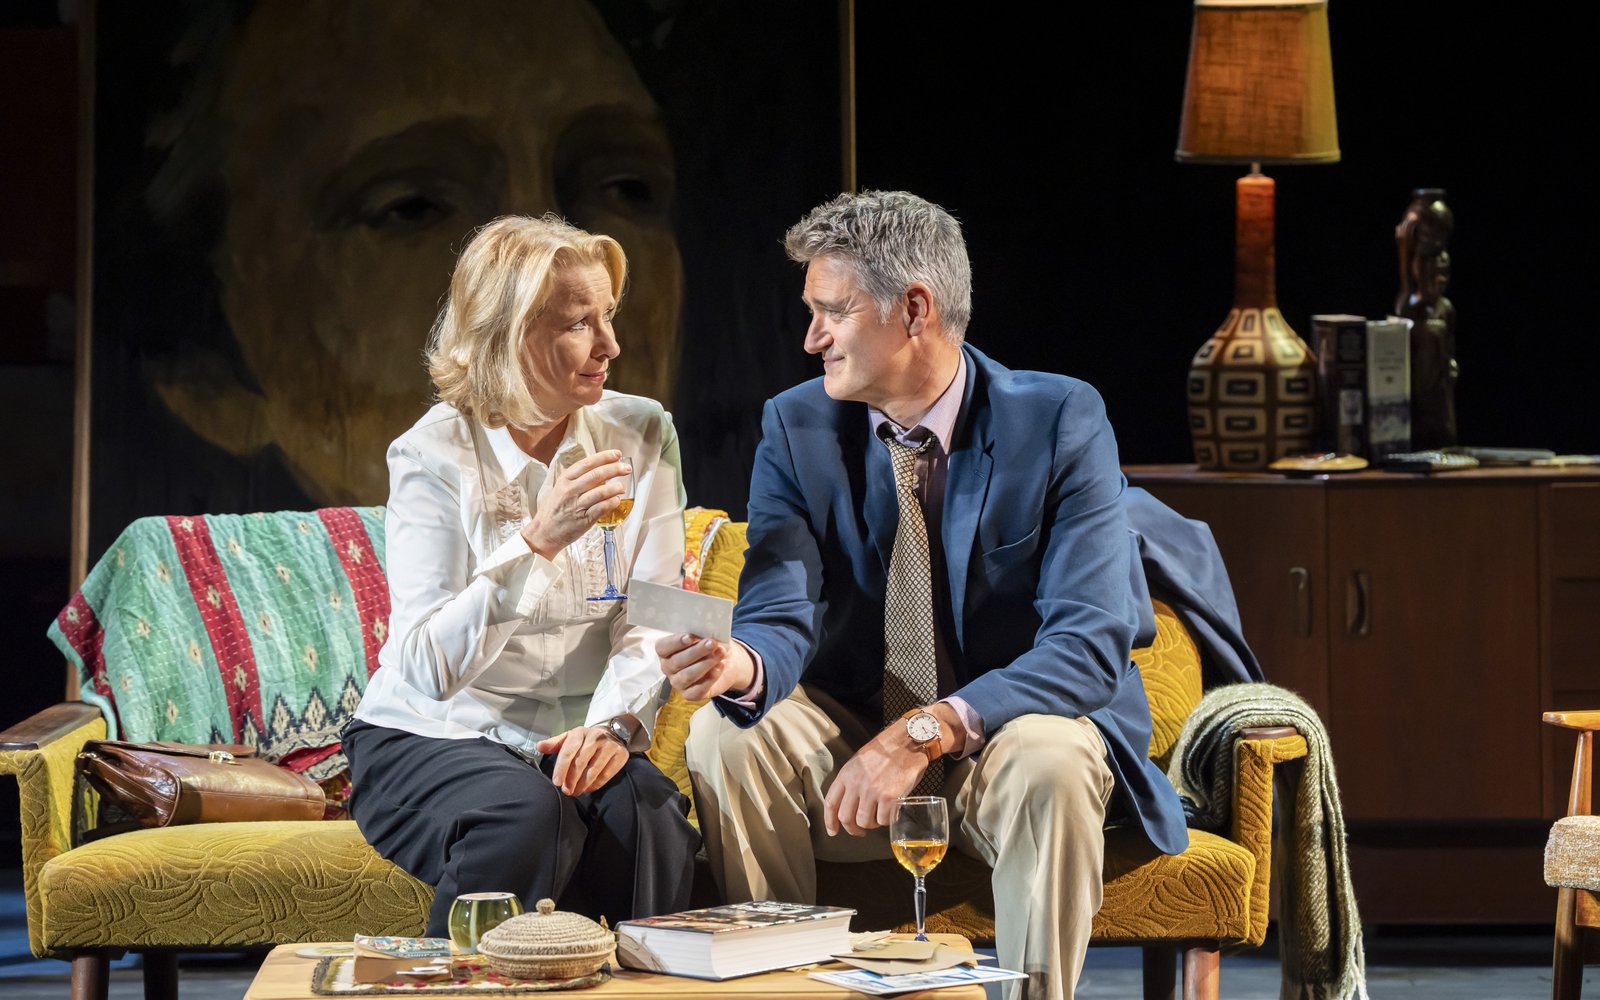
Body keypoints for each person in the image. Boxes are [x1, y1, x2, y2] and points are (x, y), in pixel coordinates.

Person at [655, 191, 1188, 1000]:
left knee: (1054, 758)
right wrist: (743, 663)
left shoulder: (1059, 419)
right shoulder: (795, 428)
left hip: (1003, 733)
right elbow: (779, 605)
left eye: (833, 311)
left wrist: (925, 731)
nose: (811, 339)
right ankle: (782, 990)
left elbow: (1086, 644)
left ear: (914, 310)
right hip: (850, 728)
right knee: (727, 740)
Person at [129, 0, 682, 509]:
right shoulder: (428, 460)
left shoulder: (647, 442)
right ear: (212, 378)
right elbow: (433, 619)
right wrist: (537, 547)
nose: (546, 265)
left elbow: (662, 591)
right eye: (413, 206)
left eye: (624, 186)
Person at [344, 214, 697, 936]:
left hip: (579, 731)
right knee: (527, 814)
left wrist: (617, 724)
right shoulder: (432, 455)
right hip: (435, 734)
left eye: (609, 317)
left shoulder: (643, 431)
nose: (611, 346)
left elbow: (655, 611)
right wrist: (536, 542)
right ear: (507, 337)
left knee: (651, 813)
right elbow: (423, 669)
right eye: (579, 323)